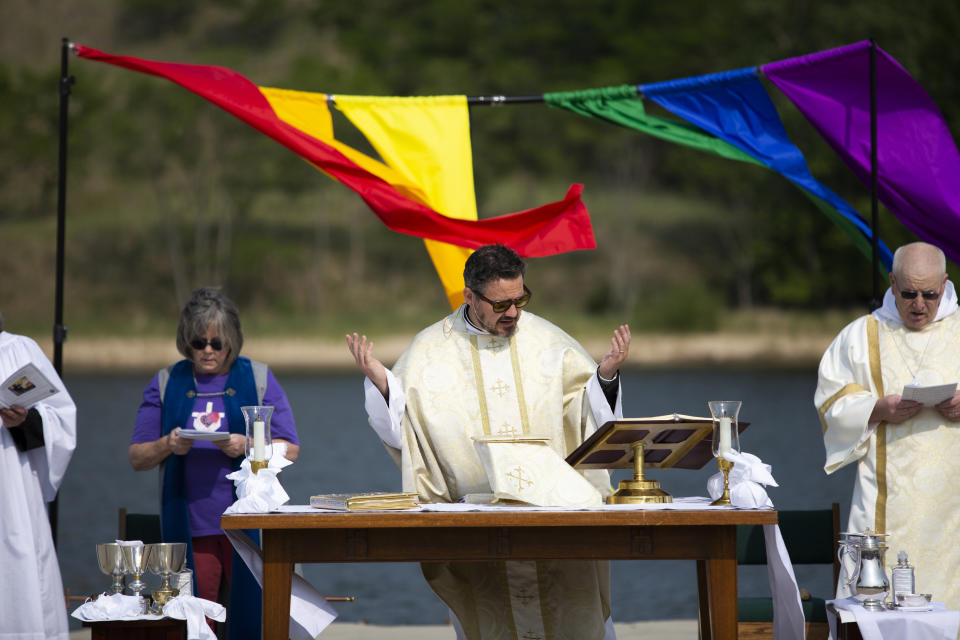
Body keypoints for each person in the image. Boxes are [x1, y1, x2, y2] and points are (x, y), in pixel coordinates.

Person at [346, 244, 630, 640]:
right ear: (470, 297)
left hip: (554, 526)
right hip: (479, 529)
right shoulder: (430, 350)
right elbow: (404, 433)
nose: (513, 313)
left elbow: (590, 417)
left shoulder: (550, 342)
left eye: (520, 299)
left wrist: (605, 378)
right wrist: (383, 387)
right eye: (501, 305)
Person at [129, 287, 300, 638]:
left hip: (248, 523)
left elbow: (291, 448)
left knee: (254, 614)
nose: (207, 350)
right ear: (185, 341)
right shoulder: (166, 382)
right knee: (195, 619)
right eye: (198, 342)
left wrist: (247, 445)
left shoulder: (258, 378)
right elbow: (137, 456)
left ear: (232, 341)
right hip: (193, 525)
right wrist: (168, 443)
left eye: (217, 343)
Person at [815, 242, 960, 610]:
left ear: (945, 283)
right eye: (909, 293)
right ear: (892, 283)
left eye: (930, 294)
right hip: (884, 496)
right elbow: (831, 402)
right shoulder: (861, 336)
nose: (919, 304)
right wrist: (877, 408)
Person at [0, 312, 76, 640]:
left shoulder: (18, 350)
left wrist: (25, 420)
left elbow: (61, 419)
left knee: (18, 582)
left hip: (10, 489)